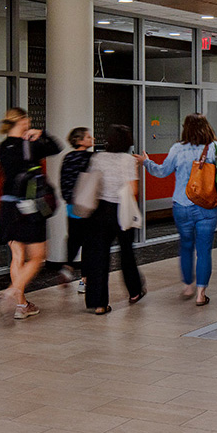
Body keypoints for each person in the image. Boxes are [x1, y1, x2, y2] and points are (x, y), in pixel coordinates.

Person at [143, 113, 217, 306]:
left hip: (182, 206)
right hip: (207, 208)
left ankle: (188, 286)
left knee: (185, 246)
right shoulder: (214, 148)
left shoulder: (177, 148)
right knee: (204, 250)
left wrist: (146, 162)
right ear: (206, 127)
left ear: (185, 128)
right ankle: (201, 293)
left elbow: (161, 171)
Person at [0, 107, 61, 323]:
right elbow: (56, 147)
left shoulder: (3, 147)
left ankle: (22, 305)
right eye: (27, 118)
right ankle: (13, 292)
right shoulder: (30, 145)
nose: (30, 121)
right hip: (29, 209)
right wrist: (40, 134)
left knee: (17, 256)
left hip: (7, 208)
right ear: (22, 121)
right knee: (38, 257)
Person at [85, 124, 147, 314]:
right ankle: (135, 291)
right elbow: (133, 190)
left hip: (99, 210)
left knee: (99, 256)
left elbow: (92, 183)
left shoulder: (97, 157)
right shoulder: (127, 160)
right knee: (126, 252)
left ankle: (99, 303)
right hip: (121, 210)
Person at [58, 127, 95, 294]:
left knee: (74, 237)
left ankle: (68, 265)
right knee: (88, 242)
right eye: (88, 136)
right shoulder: (91, 158)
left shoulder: (67, 158)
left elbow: (63, 181)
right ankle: (84, 280)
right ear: (80, 141)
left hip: (71, 205)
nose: (91, 138)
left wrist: (68, 198)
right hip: (88, 206)